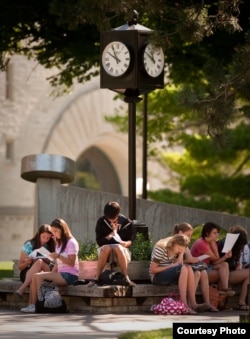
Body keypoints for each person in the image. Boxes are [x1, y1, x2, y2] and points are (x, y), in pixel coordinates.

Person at [20, 217, 79, 313]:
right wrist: (50, 275)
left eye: (55, 231)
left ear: (62, 229)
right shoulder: (60, 243)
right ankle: (32, 305)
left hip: (70, 275)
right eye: (53, 232)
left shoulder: (71, 242)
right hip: (61, 274)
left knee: (38, 277)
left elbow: (71, 263)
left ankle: (40, 305)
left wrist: (58, 256)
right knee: (36, 276)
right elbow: (57, 263)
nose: (54, 234)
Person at [149, 233, 210, 315]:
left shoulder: (176, 249)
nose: (178, 250)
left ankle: (193, 304)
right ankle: (185, 305)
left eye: (180, 249)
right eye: (178, 248)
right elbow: (153, 270)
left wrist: (181, 253)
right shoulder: (160, 248)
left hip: (169, 276)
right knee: (184, 268)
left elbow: (178, 264)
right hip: (158, 277)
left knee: (187, 267)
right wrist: (171, 266)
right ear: (173, 243)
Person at [172, 222, 218, 312]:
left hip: (186, 269)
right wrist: (188, 260)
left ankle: (207, 303)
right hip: (177, 271)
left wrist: (194, 259)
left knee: (203, 272)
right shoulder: (173, 243)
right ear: (180, 233)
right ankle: (191, 303)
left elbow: (189, 258)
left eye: (190, 236)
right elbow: (173, 263)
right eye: (188, 235)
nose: (189, 238)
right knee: (197, 273)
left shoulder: (184, 244)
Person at [93, 201, 135, 286]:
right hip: (105, 252)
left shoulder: (126, 222)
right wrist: (111, 234)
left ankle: (126, 277)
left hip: (122, 251)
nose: (111, 220)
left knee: (118, 247)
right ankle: (96, 278)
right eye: (109, 219)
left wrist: (125, 244)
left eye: (114, 218)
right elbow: (99, 242)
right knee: (106, 247)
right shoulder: (101, 222)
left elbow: (131, 241)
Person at [190, 221, 235, 297]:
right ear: (207, 233)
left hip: (207, 266)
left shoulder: (212, 242)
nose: (217, 235)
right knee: (223, 275)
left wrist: (225, 256)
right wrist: (212, 244)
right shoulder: (201, 243)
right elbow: (215, 259)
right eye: (214, 233)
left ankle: (225, 289)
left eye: (217, 233)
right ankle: (219, 297)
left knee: (225, 264)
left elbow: (215, 262)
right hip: (198, 269)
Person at [14, 224, 55, 298]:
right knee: (37, 269)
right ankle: (33, 305)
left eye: (48, 238)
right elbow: (20, 267)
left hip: (45, 272)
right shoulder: (29, 245)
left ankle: (21, 289)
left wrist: (48, 259)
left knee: (40, 262)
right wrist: (27, 262)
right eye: (43, 237)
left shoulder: (51, 245)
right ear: (38, 234)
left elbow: (54, 263)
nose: (45, 240)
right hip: (28, 272)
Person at [217, 225, 249, 311]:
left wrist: (239, 266)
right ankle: (241, 303)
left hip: (231, 273)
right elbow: (218, 262)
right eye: (241, 244)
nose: (241, 247)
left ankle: (242, 303)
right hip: (223, 274)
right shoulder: (223, 244)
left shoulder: (237, 248)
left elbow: (237, 264)